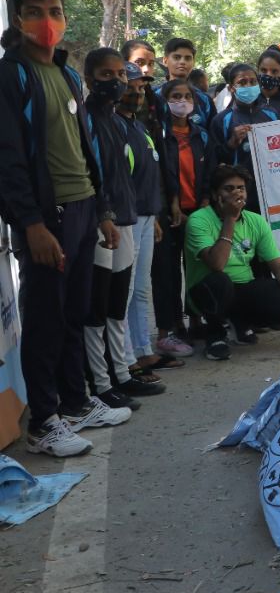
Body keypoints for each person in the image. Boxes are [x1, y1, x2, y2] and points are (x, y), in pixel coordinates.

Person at [0, 0, 132, 456]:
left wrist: (102, 211)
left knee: (75, 311)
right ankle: (44, 423)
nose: (47, 22)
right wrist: (30, 223)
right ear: (18, 20)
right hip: (46, 216)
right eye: (34, 12)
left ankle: (76, 403)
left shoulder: (67, 73)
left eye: (54, 12)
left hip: (81, 208)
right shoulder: (10, 75)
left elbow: (84, 148)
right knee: (45, 318)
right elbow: (8, 158)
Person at [81, 48, 166, 410]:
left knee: (117, 303)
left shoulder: (118, 121)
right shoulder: (86, 120)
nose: (116, 82)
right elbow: (92, 174)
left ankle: (122, 373)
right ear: (88, 79)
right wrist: (105, 214)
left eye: (120, 75)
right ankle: (100, 383)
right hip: (105, 222)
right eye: (107, 75)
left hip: (128, 219)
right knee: (97, 306)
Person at [185, 165, 280, 360]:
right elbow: (217, 264)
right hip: (207, 290)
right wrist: (230, 219)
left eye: (240, 188)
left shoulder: (255, 221)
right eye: (228, 188)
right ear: (216, 195)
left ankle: (239, 323)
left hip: (241, 289)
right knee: (221, 281)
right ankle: (215, 335)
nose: (236, 193)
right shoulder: (198, 220)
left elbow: (279, 266)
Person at [119, 62, 179, 378]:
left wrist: (155, 216)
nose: (137, 92)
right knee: (124, 292)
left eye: (142, 87)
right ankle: (126, 360)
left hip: (146, 217)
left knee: (141, 290)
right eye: (131, 85)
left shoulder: (140, 128)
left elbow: (149, 176)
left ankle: (144, 350)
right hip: (124, 220)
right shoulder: (112, 126)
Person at [154, 79, 213, 359]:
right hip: (169, 215)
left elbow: (210, 171)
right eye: (175, 96)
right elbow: (159, 175)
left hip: (197, 213)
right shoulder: (158, 134)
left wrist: (203, 205)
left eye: (186, 96)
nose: (181, 101)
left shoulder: (201, 135)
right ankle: (169, 329)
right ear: (165, 101)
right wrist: (172, 206)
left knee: (198, 269)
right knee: (166, 273)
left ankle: (198, 321)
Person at [212, 63, 280, 210]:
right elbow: (215, 159)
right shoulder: (221, 120)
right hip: (239, 193)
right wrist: (231, 143)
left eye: (252, 82)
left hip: (272, 188)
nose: (248, 86)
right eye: (242, 82)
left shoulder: (272, 115)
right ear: (231, 88)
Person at [162, 37, 214, 129]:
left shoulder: (204, 100)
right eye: (177, 57)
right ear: (165, 61)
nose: (182, 62)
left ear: (193, 62)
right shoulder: (154, 95)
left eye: (187, 58)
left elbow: (213, 135)